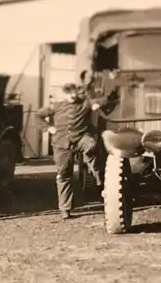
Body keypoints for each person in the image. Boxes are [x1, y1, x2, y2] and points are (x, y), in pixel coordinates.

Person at [35, 82, 115, 220]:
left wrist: (105, 99)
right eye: (69, 94)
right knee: (63, 174)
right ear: (65, 95)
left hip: (80, 139)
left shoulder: (85, 104)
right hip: (61, 143)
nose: (72, 96)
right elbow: (38, 115)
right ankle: (65, 208)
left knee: (91, 145)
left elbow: (102, 101)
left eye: (74, 93)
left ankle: (96, 173)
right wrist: (48, 128)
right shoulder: (56, 106)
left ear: (76, 93)